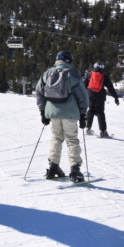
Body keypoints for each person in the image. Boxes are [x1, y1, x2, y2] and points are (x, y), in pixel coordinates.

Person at [35, 50, 89, 183]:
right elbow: (82, 96)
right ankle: (75, 170)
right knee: (71, 139)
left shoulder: (47, 74)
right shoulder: (72, 75)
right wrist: (83, 114)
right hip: (70, 113)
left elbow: (39, 92)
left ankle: (53, 167)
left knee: (56, 138)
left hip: (52, 113)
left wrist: (43, 112)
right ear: (69, 60)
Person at [84, 62, 120, 138]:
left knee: (90, 111)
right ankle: (103, 131)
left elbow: (84, 85)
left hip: (90, 95)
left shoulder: (89, 74)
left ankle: (87, 128)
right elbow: (111, 88)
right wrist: (115, 97)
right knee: (100, 112)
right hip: (100, 96)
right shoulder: (104, 77)